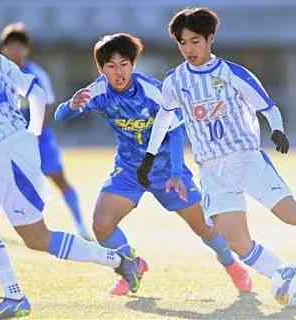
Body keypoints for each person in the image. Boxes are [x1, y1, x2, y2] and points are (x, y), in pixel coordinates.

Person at [138, 6, 296, 293]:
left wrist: (277, 130)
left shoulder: (233, 74)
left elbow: (268, 108)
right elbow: (164, 119)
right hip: (211, 170)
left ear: (210, 39)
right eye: (182, 43)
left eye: (195, 41)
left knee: (292, 215)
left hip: (246, 160)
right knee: (234, 240)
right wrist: (149, 156)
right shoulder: (175, 81)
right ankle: (284, 276)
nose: (188, 49)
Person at [0, 3, 141, 319]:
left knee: (37, 237)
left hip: (7, 151)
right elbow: (37, 93)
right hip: (10, 148)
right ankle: (13, 296)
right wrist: (32, 132)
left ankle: (120, 262)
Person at [55, 33, 251, 296]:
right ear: (101, 69)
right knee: (101, 225)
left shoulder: (153, 91)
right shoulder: (98, 91)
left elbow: (177, 132)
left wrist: (176, 172)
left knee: (204, 227)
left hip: (167, 171)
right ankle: (131, 266)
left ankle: (233, 266)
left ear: (133, 64)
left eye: (124, 64)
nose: (118, 72)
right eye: (110, 66)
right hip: (129, 170)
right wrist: (69, 105)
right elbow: (60, 116)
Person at [0, 22, 91, 240]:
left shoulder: (36, 73)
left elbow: (48, 106)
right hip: (10, 141)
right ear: (4, 49)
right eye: (11, 46)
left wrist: (34, 134)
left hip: (39, 138)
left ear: (27, 49)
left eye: (20, 46)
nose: (15, 50)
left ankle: (80, 225)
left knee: (59, 179)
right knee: (4, 181)